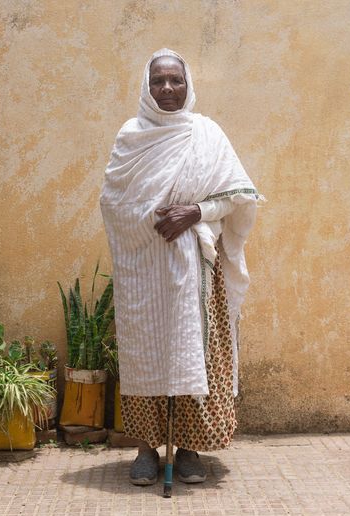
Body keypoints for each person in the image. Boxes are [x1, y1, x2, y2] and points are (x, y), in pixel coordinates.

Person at [100, 49, 261, 486]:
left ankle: (189, 448)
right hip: (144, 269)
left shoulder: (207, 134)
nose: (167, 89)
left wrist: (196, 211)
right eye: (158, 81)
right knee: (145, 355)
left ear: (188, 85)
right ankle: (145, 448)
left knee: (195, 355)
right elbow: (113, 204)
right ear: (146, 86)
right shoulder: (131, 136)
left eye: (176, 80)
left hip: (196, 270)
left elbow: (239, 196)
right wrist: (151, 218)